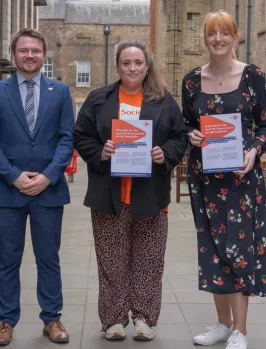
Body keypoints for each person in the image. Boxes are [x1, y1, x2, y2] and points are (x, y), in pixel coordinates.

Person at [73, 39, 188, 341]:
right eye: (127, 63)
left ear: (147, 65)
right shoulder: (99, 99)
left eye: (138, 62)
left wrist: (166, 153)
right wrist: (101, 151)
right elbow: (80, 135)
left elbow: (181, 135)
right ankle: (112, 320)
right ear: (117, 66)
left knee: (149, 261)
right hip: (109, 195)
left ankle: (144, 319)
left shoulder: (163, 100)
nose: (133, 68)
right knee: (111, 261)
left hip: (150, 194)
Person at [181, 11, 266, 349]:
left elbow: (265, 126)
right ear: (205, 39)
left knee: (239, 248)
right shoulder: (192, 80)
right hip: (204, 178)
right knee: (212, 249)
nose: (217, 39)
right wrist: (190, 134)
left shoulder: (253, 77)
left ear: (236, 38)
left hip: (241, 178)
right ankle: (221, 324)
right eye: (211, 34)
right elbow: (185, 123)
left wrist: (254, 152)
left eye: (224, 33)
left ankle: (241, 330)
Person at [0, 28, 74, 346]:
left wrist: (48, 176)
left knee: (48, 258)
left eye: (35, 50)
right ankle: (5, 321)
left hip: (48, 191)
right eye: (24, 50)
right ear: (14, 54)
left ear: (43, 55)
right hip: (9, 192)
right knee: (8, 259)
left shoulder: (59, 91)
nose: (30, 56)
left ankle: (52, 319)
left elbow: (66, 139)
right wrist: (14, 176)